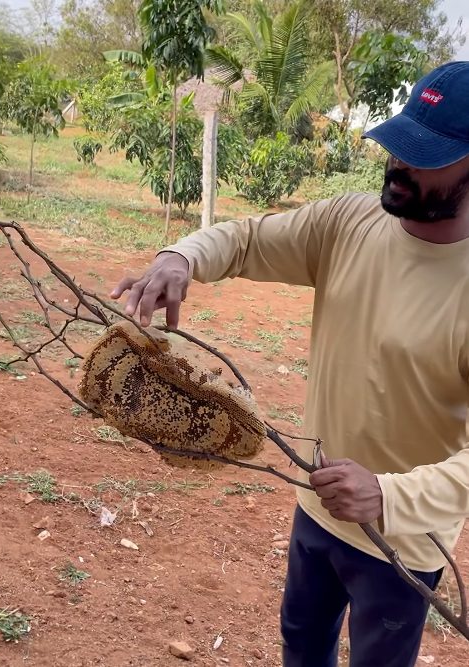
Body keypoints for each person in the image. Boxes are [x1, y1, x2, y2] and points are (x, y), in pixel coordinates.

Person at [111, 61, 469, 666]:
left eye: (426, 158)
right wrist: (182, 256)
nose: (400, 166)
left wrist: (385, 495)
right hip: (317, 505)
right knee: (301, 648)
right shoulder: (351, 222)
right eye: (399, 145)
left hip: (403, 541)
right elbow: (250, 239)